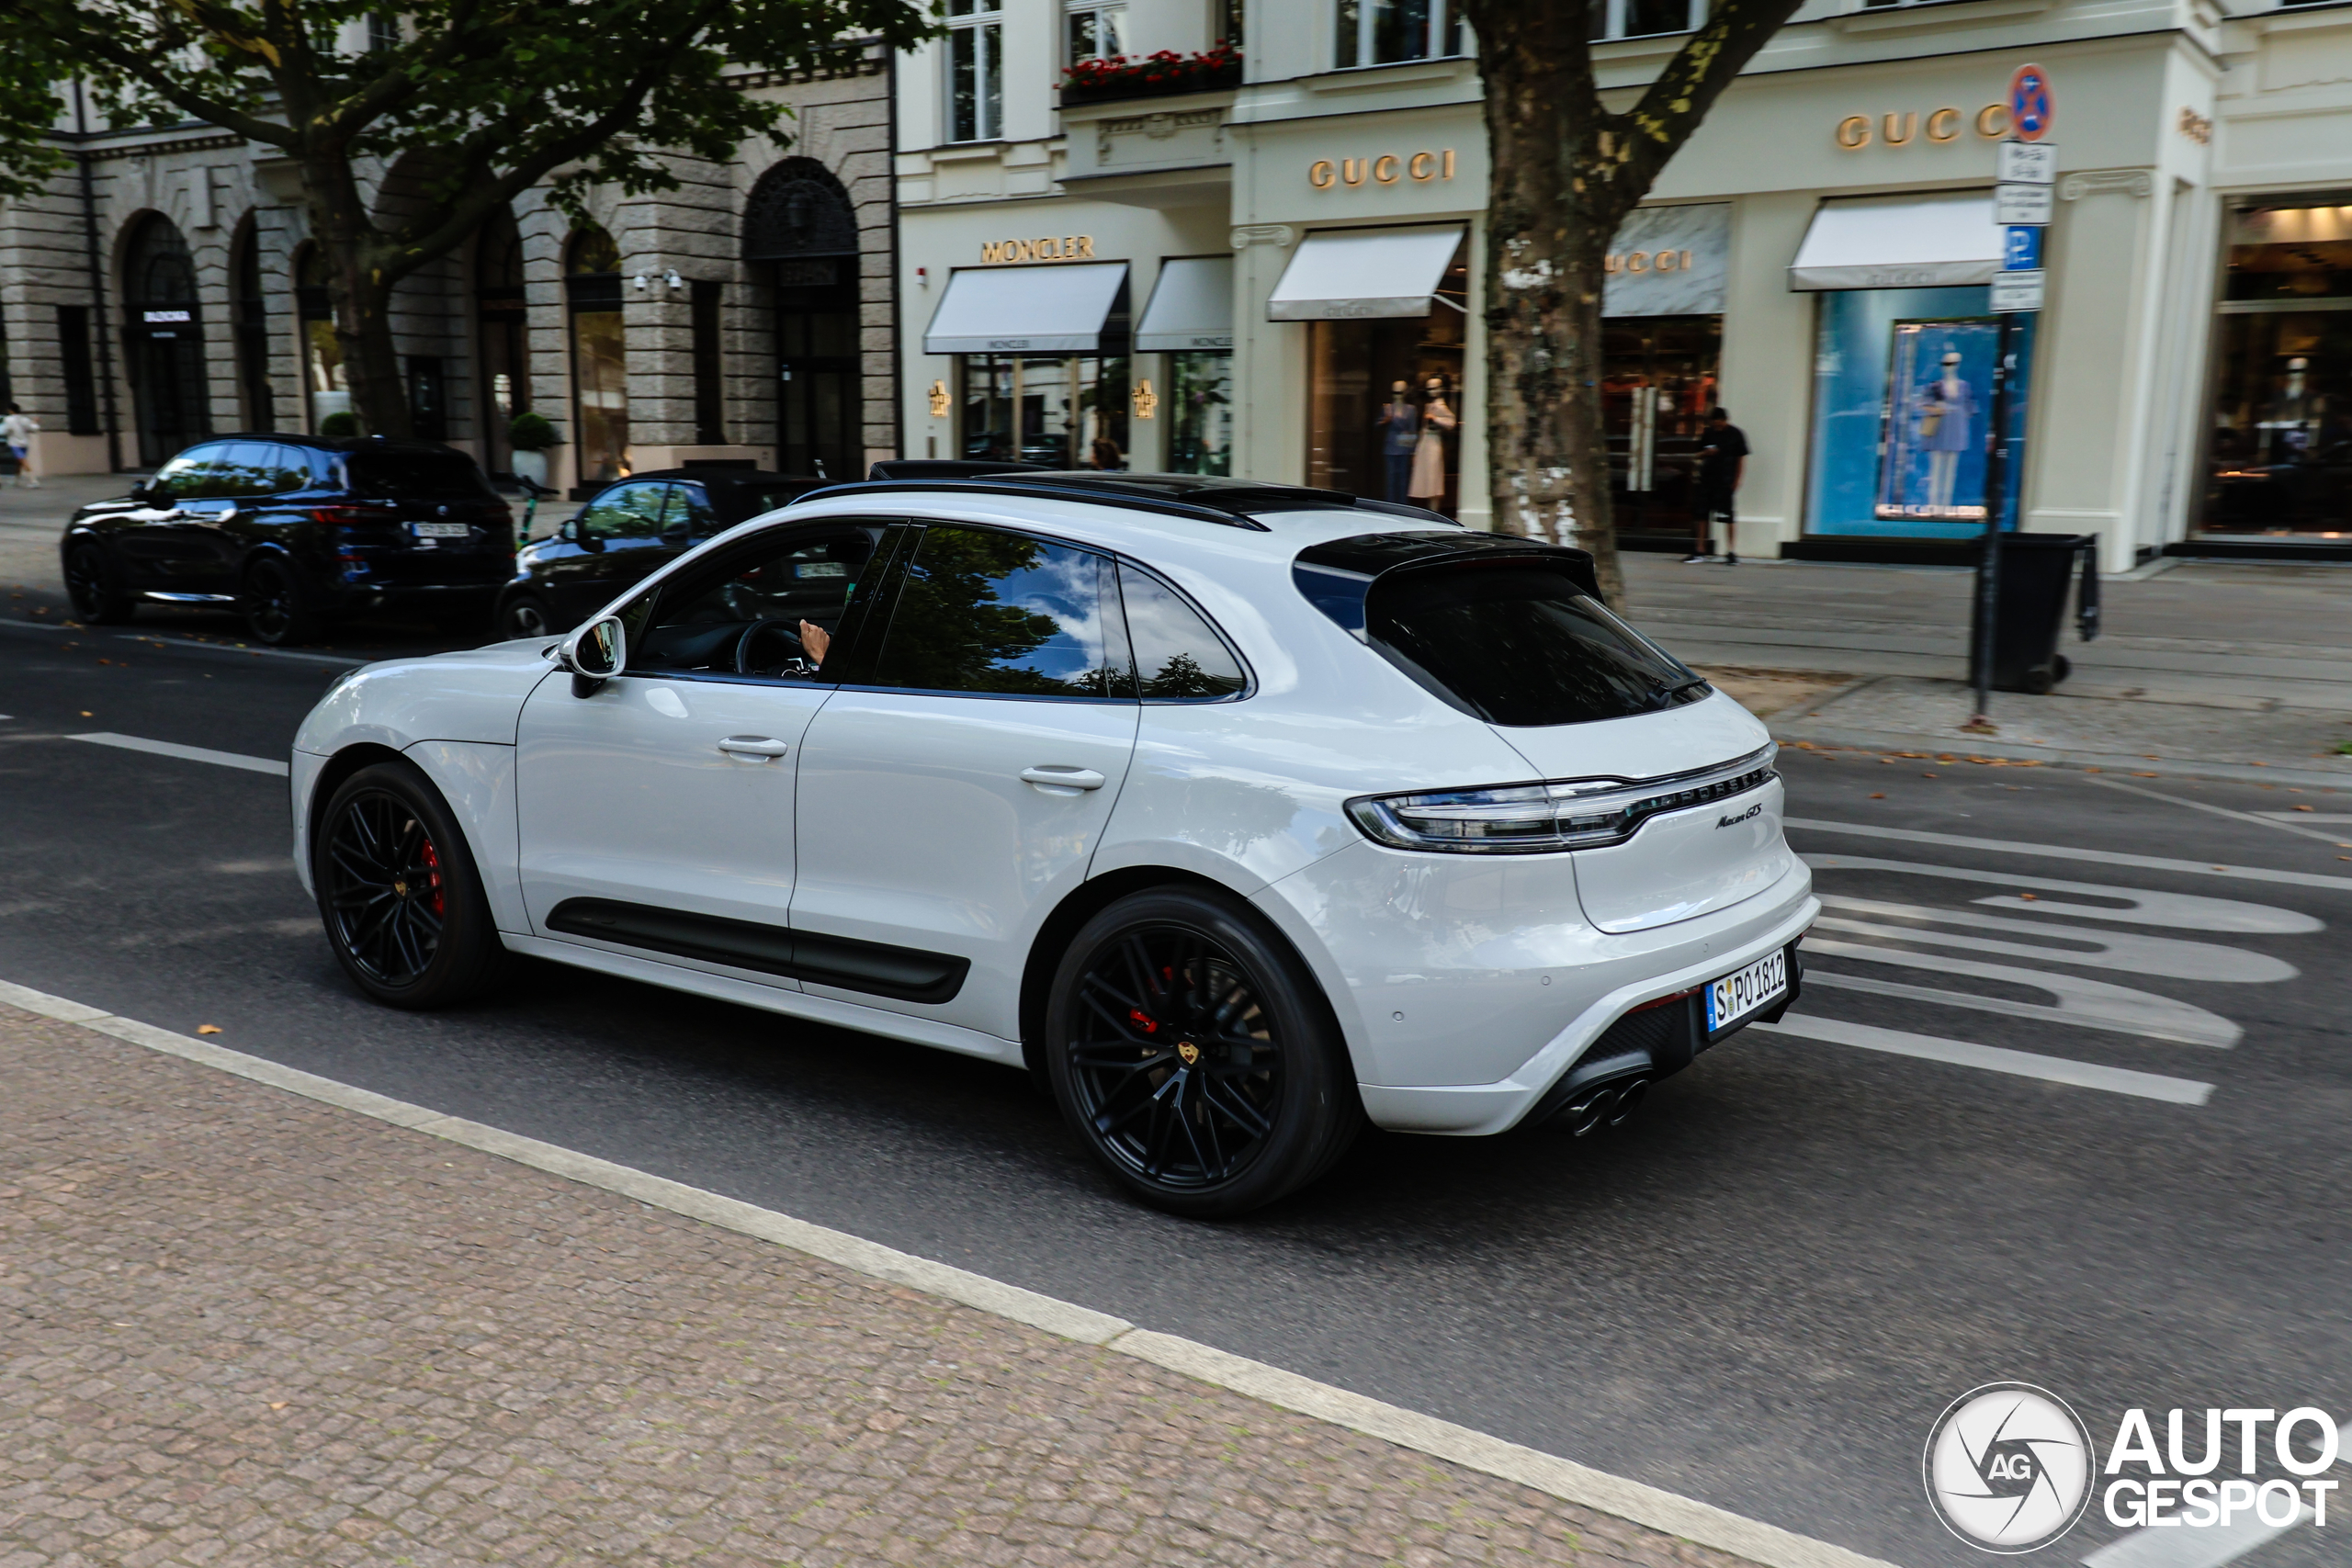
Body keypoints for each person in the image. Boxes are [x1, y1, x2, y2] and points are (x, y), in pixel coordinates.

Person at [1690, 406, 1747, 564]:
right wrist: (1705, 453)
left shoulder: (1736, 434)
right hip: (1707, 479)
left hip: (1725, 480)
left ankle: (1731, 550)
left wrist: (1736, 481)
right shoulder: (1708, 433)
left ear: (1725, 420)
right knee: (1702, 514)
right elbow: (1697, 454)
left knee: (1728, 516)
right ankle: (1700, 549)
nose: (1718, 427)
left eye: (1720, 423)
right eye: (1715, 424)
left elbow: (1741, 459)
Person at [1408, 376, 1456, 509]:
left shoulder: (1441, 406)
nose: (1431, 391)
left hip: (1434, 442)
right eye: (1429, 389)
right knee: (1426, 478)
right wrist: (1416, 451)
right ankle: (1429, 509)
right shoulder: (1429, 405)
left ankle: (1434, 509)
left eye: (1434, 388)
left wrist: (1435, 418)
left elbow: (1451, 422)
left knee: (1433, 478)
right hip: (1426, 443)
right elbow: (1423, 429)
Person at [1376, 380, 1419, 502]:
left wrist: (1412, 451)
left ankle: (1403, 505)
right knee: (1390, 479)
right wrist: (1385, 421)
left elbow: (1412, 429)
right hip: (1390, 446)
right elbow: (1377, 424)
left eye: (1399, 392)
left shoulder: (1411, 409)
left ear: (1405, 392)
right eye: (1394, 392)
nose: (1397, 395)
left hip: (1404, 445)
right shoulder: (1388, 408)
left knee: (1403, 480)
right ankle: (1390, 504)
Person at [2, 403, 38, 489]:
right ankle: (16, 480)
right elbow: (33, 428)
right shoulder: (25, 419)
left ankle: (33, 480)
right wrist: (35, 422)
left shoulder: (8, 419)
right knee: (19, 462)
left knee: (23, 461)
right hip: (25, 444)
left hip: (15, 444)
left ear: (10, 410)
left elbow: (5, 431)